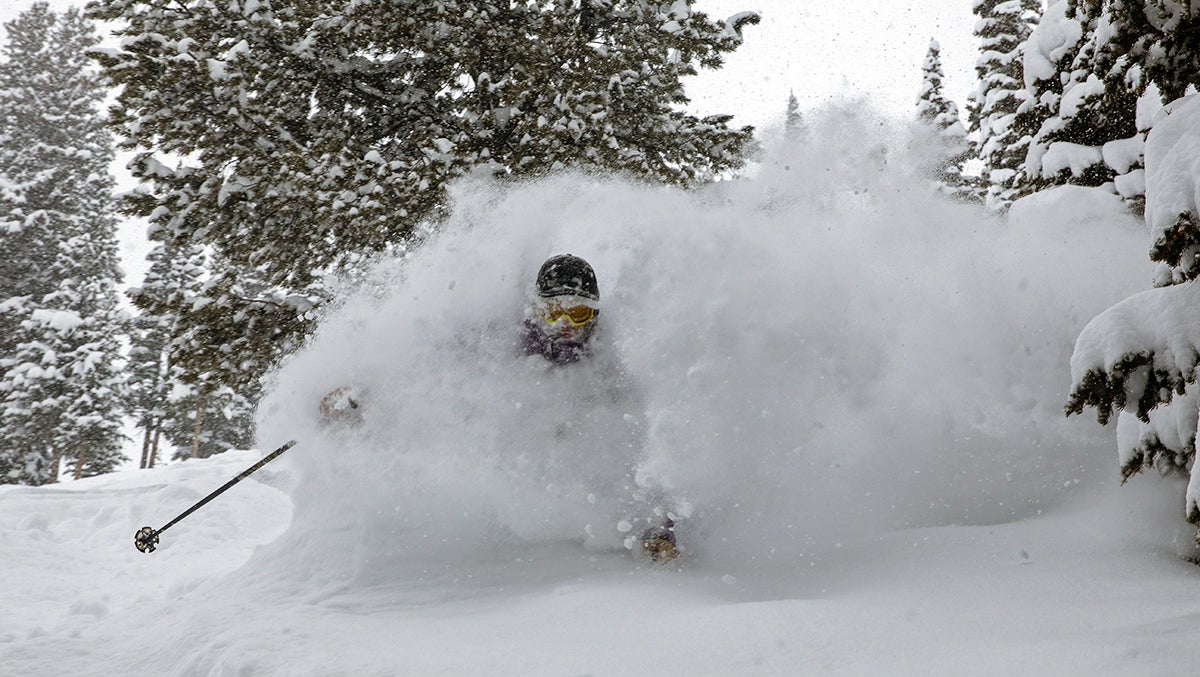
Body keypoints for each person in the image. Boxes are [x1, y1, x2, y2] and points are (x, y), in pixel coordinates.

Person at [320, 253, 679, 563]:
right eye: (554, 312)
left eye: (580, 312)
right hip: (518, 447)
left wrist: (662, 529)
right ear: (537, 309)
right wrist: (366, 392)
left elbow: (649, 445)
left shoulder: (615, 353)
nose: (567, 324)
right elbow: (424, 363)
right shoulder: (504, 335)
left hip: (579, 446)